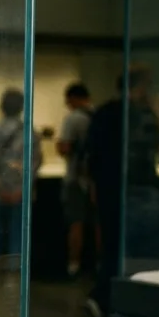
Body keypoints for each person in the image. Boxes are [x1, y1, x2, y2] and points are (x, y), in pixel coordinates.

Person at [84, 69, 159, 317]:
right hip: (132, 188)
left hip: (110, 187)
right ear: (140, 87)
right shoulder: (139, 114)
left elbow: (92, 153)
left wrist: (95, 186)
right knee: (131, 246)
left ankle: (106, 296)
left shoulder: (105, 111)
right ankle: (112, 298)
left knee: (114, 244)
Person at [0, 88, 42, 282]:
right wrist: (19, 190)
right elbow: (34, 163)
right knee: (18, 236)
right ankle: (14, 277)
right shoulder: (29, 132)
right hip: (19, 193)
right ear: (22, 107)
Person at [57, 82, 94, 278]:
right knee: (98, 223)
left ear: (74, 98)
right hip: (96, 179)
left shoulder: (73, 119)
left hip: (76, 177)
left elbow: (65, 148)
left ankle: (74, 264)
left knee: (76, 223)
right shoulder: (98, 116)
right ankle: (98, 263)